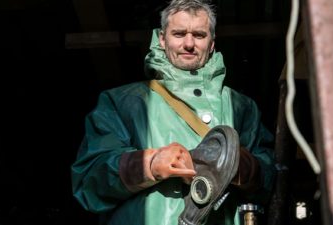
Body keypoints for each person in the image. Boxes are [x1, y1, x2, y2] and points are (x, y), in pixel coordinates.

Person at [71, 0, 276, 224]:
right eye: (179, 34)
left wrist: (244, 169)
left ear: (212, 43)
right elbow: (87, 181)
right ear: (162, 38)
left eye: (199, 35)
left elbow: (272, 183)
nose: (189, 43)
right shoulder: (120, 102)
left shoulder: (242, 106)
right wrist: (149, 164)